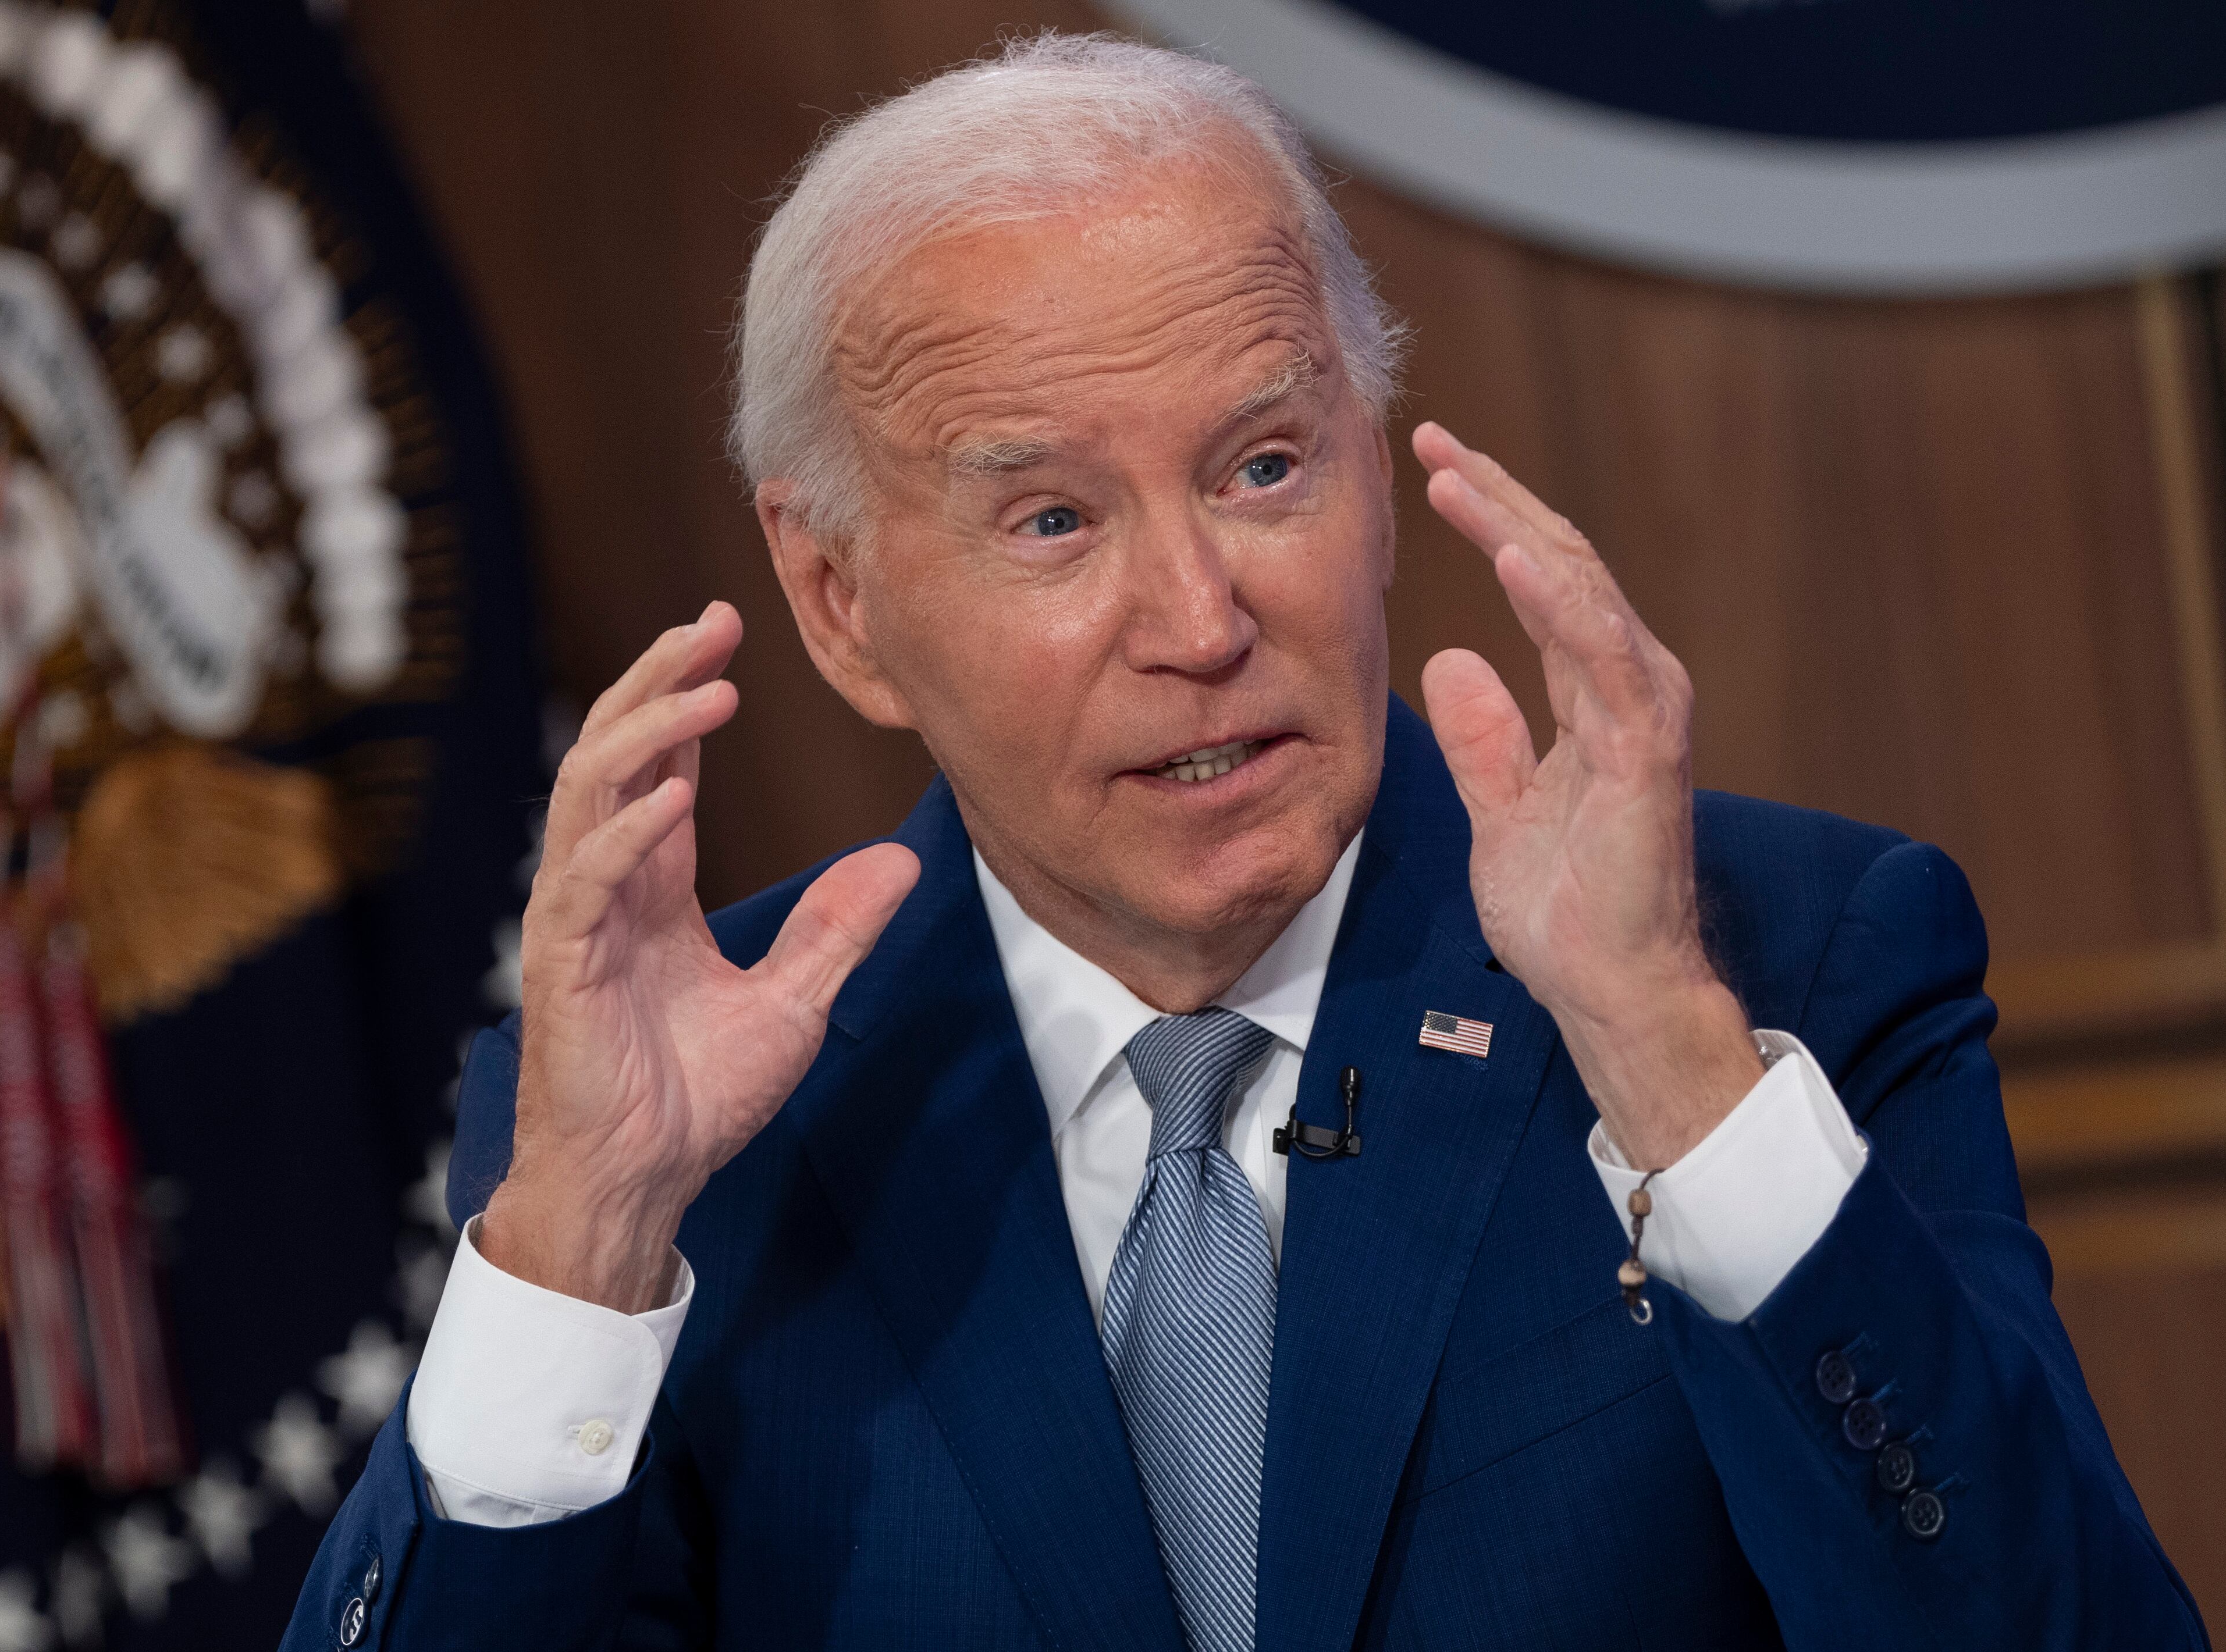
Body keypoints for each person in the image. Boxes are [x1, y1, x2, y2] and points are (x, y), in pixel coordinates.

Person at [283, 33, 2204, 1652]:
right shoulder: (662, 1131)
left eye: (1262, 466)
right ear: (838, 601)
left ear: (1375, 465)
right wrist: (581, 1245)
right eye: (1052, 521)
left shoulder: (1782, 963)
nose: (1200, 621)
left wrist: (1673, 1071)